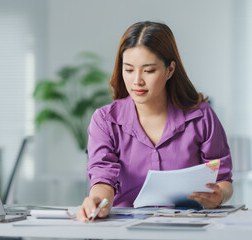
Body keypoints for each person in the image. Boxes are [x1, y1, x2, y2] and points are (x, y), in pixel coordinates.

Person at [77, 21, 233, 221]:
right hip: (125, 230)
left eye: (148, 70)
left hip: (187, 228)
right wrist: (98, 201)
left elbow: (223, 181)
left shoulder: (201, 116)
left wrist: (219, 196)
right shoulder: (106, 120)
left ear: (170, 69)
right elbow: (102, 178)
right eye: (129, 69)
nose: (137, 81)